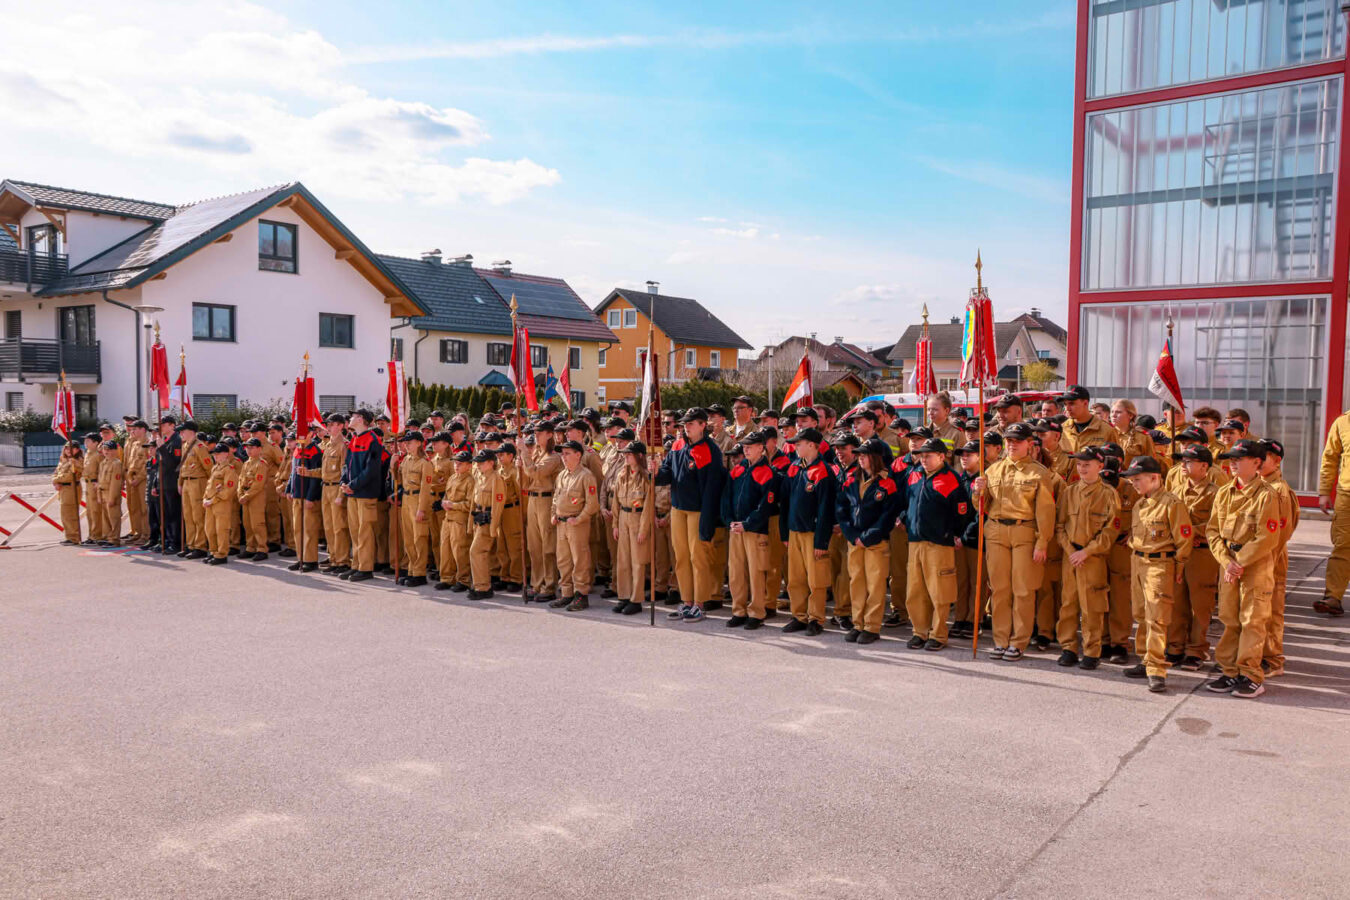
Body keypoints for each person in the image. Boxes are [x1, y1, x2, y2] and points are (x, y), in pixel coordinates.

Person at [971, 422, 1056, 661]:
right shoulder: (992, 470)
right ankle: (1000, 639)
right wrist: (978, 492)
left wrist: (1042, 542)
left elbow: (1046, 512)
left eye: (1017, 441)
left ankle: (1018, 641)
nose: (1012, 445)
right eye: (1008, 441)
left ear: (1030, 444)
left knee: (1023, 590)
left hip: (1024, 532)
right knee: (999, 589)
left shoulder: (1039, 473)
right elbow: (981, 506)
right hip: (997, 531)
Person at [1206, 440, 1282, 698]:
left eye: (1239, 458)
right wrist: (1227, 561)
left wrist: (1239, 563)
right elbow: (1213, 530)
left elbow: (1268, 536)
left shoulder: (1266, 494)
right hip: (1229, 565)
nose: (1233, 463)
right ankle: (1229, 672)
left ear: (1257, 463)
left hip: (1254, 568)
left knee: (1252, 621)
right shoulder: (1225, 492)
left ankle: (1250, 676)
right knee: (1229, 619)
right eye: (1231, 458)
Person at [1120, 455, 1192, 693]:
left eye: (1138, 479)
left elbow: (1184, 539)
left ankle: (1157, 669)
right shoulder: (1140, 504)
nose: (1134, 484)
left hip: (1160, 565)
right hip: (1138, 561)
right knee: (1141, 614)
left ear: (1154, 478)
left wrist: (1179, 567)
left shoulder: (1172, 503)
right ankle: (1145, 659)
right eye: (1132, 480)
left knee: (1157, 618)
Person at [654, 408, 725, 623]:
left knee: (698, 557)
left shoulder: (710, 450)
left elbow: (713, 489)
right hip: (678, 508)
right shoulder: (677, 445)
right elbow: (666, 475)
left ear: (703, 425)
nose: (686, 427)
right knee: (682, 557)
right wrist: (655, 470)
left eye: (691, 423)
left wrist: (707, 520)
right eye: (685, 423)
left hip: (698, 510)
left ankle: (700, 603)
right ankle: (686, 601)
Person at [899, 436, 969, 650]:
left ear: (941, 456)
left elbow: (962, 513)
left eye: (928, 456)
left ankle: (938, 634)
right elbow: (906, 501)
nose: (923, 460)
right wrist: (904, 518)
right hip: (915, 541)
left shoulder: (951, 479)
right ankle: (919, 631)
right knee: (915, 591)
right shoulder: (913, 475)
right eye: (921, 456)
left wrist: (954, 533)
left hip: (939, 543)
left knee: (940, 592)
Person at [1054, 447, 1119, 668]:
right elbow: (1060, 525)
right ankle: (1068, 647)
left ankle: (1092, 651)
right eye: (1079, 464)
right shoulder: (1069, 492)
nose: (1082, 468)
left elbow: (1111, 530)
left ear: (1100, 467)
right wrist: (1071, 551)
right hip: (1070, 556)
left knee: (1092, 606)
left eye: (1087, 464)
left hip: (1093, 558)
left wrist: (1087, 551)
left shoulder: (1108, 494)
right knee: (1068, 604)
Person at [778, 427, 837, 635]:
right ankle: (799, 616)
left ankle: (816, 619)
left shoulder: (823, 471)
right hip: (794, 532)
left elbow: (826, 510)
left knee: (816, 580)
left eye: (799, 443)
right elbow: (784, 501)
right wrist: (784, 532)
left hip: (813, 534)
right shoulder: (795, 467)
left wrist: (821, 541)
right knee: (795, 579)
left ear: (812, 445)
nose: (795, 447)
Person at [1167, 445, 1220, 670]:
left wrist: (1191, 533)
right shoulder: (1176, 491)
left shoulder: (1216, 493)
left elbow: (1218, 523)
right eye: (1183, 461)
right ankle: (1175, 647)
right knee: (1177, 602)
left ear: (1204, 466)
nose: (1184, 466)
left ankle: (1196, 650)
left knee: (1200, 604)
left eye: (1189, 462)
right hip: (1179, 553)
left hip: (1202, 554)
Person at [722, 430, 778, 630]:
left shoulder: (767, 472)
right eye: (744, 446)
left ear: (761, 448)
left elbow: (765, 506)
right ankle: (738, 610)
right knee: (736, 572)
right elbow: (726, 497)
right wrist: (729, 520)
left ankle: (756, 612)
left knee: (756, 573)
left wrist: (747, 523)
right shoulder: (738, 469)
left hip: (754, 531)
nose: (745, 449)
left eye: (750, 446)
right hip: (735, 529)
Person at [1258, 440, 1297, 678]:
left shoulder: (1280, 490)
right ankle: (1259, 655)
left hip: (1271, 559)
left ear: (1276, 460)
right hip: (1258, 559)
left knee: (1271, 611)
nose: (1258, 461)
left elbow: (1281, 533)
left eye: (1263, 457)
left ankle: (1273, 660)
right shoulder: (1259, 486)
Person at [551, 440, 599, 610]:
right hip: (562, 523)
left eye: (567, 453)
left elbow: (592, 504)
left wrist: (579, 519)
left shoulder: (586, 476)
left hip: (577, 523)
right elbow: (556, 498)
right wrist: (553, 514)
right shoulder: (562, 475)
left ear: (578, 455)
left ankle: (581, 594)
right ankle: (566, 593)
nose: (563, 457)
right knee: (563, 560)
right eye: (562, 454)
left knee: (580, 559)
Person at [611, 440, 654, 616]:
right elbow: (615, 502)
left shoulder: (646, 476)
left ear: (639, 456)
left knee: (637, 561)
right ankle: (624, 595)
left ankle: (636, 599)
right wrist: (614, 524)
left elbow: (649, 505)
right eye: (625, 454)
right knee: (623, 560)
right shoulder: (622, 475)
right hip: (623, 517)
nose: (626, 457)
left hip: (637, 517)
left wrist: (644, 529)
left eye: (629, 454)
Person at [521, 423, 563, 602]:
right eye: (535, 433)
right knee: (534, 545)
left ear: (549, 434)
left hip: (546, 500)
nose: (536, 436)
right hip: (533, 498)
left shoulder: (553, 457)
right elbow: (526, 476)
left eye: (539, 433)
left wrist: (523, 453)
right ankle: (537, 583)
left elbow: (536, 472)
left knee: (547, 545)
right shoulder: (537, 453)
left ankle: (549, 584)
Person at [340, 410, 383, 583]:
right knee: (355, 531)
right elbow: (346, 464)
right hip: (353, 492)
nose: (350, 418)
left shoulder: (373, 439)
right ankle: (356, 565)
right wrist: (344, 481)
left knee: (364, 532)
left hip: (365, 493)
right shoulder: (354, 439)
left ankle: (365, 568)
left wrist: (353, 485)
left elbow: (371, 469)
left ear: (360, 419)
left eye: (353, 416)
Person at [1318, 406, 1350, 617]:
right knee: (1342, 546)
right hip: (1346, 494)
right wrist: (1323, 491)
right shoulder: (1342, 423)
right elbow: (1330, 458)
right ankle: (1333, 597)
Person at [434, 450, 475, 592]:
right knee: (445, 549)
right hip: (448, 518)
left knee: (460, 550)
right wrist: (445, 503)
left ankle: (463, 580)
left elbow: (470, 504)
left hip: (460, 519)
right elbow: (447, 495)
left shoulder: (470, 481)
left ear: (469, 466)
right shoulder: (452, 478)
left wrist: (453, 505)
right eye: (456, 463)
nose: (457, 466)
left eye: (460, 463)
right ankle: (447, 578)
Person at [287, 426, 323, 572]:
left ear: (311, 434)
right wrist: (289, 488)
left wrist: (310, 497)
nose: (299, 435)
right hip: (296, 493)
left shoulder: (315, 451)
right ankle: (300, 558)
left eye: (303, 433)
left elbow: (315, 477)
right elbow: (292, 472)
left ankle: (310, 559)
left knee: (309, 529)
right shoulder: (297, 449)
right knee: (298, 529)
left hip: (307, 495)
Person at [201, 442, 240, 565]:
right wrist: (204, 499)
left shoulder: (229, 469)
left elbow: (228, 490)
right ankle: (213, 551)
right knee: (210, 529)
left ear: (226, 454)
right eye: (214, 454)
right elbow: (209, 487)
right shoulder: (215, 468)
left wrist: (213, 500)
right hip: (210, 503)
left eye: (218, 454)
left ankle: (221, 554)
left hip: (221, 503)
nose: (215, 456)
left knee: (221, 529)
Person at [493, 441, 525, 592]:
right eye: (498, 454)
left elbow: (521, 494)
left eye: (502, 454)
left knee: (514, 546)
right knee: (501, 545)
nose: (499, 457)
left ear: (511, 456)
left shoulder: (515, 471)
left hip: (512, 509)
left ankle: (516, 577)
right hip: (500, 511)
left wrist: (522, 515)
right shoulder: (499, 471)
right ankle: (504, 576)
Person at [1059, 386, 1120, 453]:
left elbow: (1115, 460)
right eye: (1065, 404)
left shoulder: (1107, 431)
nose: (1067, 408)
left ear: (1085, 403)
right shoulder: (1062, 429)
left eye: (1072, 403)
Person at [236, 438, 270, 560]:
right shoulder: (246, 463)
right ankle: (250, 547)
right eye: (247, 448)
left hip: (256, 496)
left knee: (257, 523)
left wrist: (246, 496)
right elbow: (240, 480)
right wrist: (240, 493)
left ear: (259, 449)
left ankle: (262, 548)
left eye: (251, 447)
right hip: (245, 496)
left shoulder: (261, 464)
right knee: (247, 523)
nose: (248, 450)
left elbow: (258, 484)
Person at [122, 420, 150, 545]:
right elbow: (130, 462)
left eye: (136, 429)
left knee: (144, 508)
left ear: (143, 429)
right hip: (132, 479)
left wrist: (139, 478)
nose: (133, 431)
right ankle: (137, 532)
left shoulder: (148, 443)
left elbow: (147, 463)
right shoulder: (135, 444)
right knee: (134, 507)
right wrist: (129, 478)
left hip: (142, 479)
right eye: (132, 429)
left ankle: (146, 534)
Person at [52, 440, 84, 544]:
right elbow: (56, 472)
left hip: (72, 488)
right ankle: (69, 536)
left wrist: (57, 480)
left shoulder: (77, 460)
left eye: (72, 448)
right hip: (63, 489)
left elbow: (70, 476)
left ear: (77, 450)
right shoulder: (63, 460)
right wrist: (55, 481)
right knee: (65, 515)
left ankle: (74, 537)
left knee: (71, 514)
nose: (68, 450)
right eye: (66, 448)